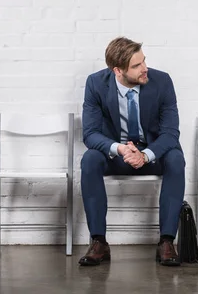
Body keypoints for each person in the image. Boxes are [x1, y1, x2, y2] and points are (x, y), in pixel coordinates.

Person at [78, 37, 185, 267]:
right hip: (118, 156)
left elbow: (170, 133)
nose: (145, 68)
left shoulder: (162, 81)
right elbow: (91, 134)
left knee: (176, 158)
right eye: (137, 66)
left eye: (144, 61)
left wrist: (145, 154)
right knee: (90, 159)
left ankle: (167, 241)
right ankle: (99, 241)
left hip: (151, 155)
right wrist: (120, 149)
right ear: (117, 70)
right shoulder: (96, 84)